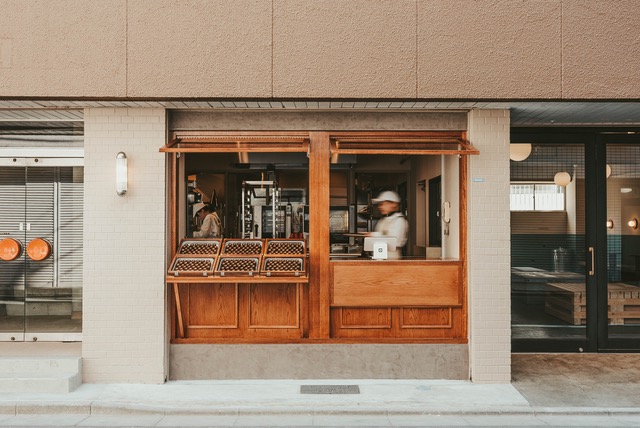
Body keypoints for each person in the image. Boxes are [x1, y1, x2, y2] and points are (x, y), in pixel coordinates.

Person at [370, 190, 408, 259]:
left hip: (391, 259)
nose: (380, 207)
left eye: (383, 204)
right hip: (379, 257)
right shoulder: (383, 220)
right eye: (380, 204)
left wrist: (373, 235)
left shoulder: (399, 220)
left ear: (394, 204)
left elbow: (395, 241)